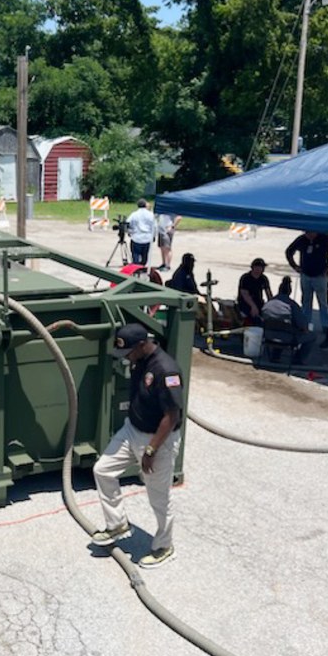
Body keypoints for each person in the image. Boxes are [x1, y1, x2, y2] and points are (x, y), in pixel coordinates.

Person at [91, 323, 183, 570]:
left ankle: (165, 546)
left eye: (129, 352)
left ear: (142, 345)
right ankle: (118, 524)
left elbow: (172, 415)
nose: (126, 357)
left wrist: (151, 450)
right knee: (102, 470)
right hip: (132, 429)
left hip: (157, 440)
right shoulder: (139, 359)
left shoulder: (166, 370)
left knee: (158, 497)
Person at [285, 231, 328, 331]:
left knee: (323, 302)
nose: (309, 235)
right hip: (305, 274)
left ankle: (326, 325)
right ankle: (305, 324)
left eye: (311, 232)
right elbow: (289, 251)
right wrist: (295, 266)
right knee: (306, 301)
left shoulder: (324, 239)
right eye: (307, 232)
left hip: (320, 275)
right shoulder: (302, 239)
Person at [260, 276, 316, 364]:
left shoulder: (268, 304)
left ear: (279, 290)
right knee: (311, 336)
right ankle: (298, 359)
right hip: (287, 339)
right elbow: (304, 326)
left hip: (267, 336)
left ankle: (276, 356)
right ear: (290, 292)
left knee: (278, 326)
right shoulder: (292, 305)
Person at [237, 257, 273, 325]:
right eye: (257, 267)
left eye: (261, 268)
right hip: (245, 303)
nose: (259, 270)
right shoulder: (245, 278)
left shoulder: (264, 279)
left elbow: (268, 293)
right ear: (253, 267)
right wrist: (253, 306)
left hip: (259, 302)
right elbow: (245, 294)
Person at [126, 199, 156, 265]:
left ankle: (136, 266)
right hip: (147, 237)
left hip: (136, 237)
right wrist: (153, 236)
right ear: (145, 205)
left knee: (135, 253)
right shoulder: (150, 214)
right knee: (145, 254)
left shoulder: (134, 214)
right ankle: (142, 265)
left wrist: (129, 231)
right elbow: (154, 226)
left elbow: (128, 223)